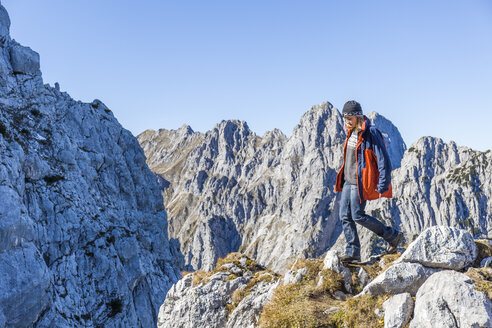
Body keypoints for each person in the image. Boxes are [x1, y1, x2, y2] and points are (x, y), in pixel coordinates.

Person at [335, 100, 403, 264]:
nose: (347, 121)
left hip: (360, 182)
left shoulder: (371, 132)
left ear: (358, 115)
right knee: (344, 216)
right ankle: (353, 252)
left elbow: (383, 159)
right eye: (345, 118)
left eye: (349, 118)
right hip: (348, 181)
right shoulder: (350, 132)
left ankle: (392, 235)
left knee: (357, 215)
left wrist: (383, 183)